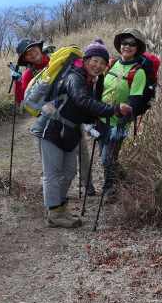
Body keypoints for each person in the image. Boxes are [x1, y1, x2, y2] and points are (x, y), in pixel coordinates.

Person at [30, 38, 131, 228]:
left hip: (68, 132)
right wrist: (112, 109)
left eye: (103, 63)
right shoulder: (74, 77)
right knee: (52, 173)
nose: (99, 65)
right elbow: (82, 101)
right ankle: (53, 213)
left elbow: (84, 109)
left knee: (69, 171)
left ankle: (56, 207)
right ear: (86, 59)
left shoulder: (89, 81)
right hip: (51, 128)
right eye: (95, 60)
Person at [11, 38, 95, 195]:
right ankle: (48, 180)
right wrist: (17, 82)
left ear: (38, 48)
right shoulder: (29, 73)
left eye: (33, 48)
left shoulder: (58, 59)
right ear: (25, 59)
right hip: (47, 116)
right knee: (48, 150)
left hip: (71, 111)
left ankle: (87, 182)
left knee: (81, 146)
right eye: (27, 54)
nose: (32, 53)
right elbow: (21, 99)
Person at [97, 28, 151, 203]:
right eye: (124, 43)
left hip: (118, 121)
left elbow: (134, 99)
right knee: (105, 157)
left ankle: (109, 191)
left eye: (132, 44)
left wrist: (123, 122)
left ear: (137, 48)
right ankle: (124, 181)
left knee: (107, 159)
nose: (127, 46)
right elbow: (100, 88)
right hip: (101, 118)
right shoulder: (111, 64)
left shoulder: (138, 71)